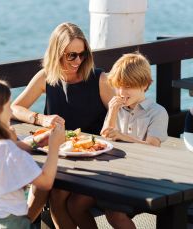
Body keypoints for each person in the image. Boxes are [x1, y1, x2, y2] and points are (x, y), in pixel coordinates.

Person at [11, 22, 114, 229]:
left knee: (56, 196)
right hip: (60, 156)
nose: (78, 61)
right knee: (50, 193)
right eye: (71, 55)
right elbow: (15, 107)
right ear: (56, 53)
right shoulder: (47, 76)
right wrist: (41, 119)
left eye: (82, 54)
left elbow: (121, 121)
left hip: (94, 159)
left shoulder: (100, 79)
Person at [67, 53, 169, 229]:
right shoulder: (118, 109)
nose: (122, 92)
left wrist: (123, 137)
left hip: (144, 178)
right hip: (114, 176)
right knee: (74, 204)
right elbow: (106, 135)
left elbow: (153, 147)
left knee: (114, 213)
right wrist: (113, 110)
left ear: (144, 85)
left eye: (128, 87)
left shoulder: (157, 112)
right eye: (119, 87)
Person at [0, 78, 65, 229]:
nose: (11, 111)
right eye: (8, 106)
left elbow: (0, 153)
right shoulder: (8, 150)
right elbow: (46, 182)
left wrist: (35, 141)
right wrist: (54, 146)